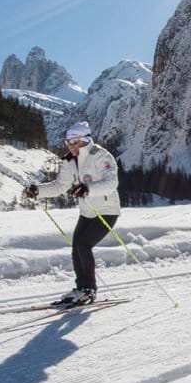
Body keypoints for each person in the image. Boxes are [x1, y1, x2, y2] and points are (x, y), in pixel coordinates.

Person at [23, 121, 121, 306]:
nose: (70, 146)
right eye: (68, 142)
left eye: (74, 141)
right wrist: (38, 191)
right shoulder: (69, 161)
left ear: (85, 140)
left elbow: (111, 184)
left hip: (107, 211)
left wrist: (87, 188)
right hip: (87, 211)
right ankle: (80, 288)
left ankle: (89, 290)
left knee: (84, 245)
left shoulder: (101, 156)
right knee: (76, 246)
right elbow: (60, 186)